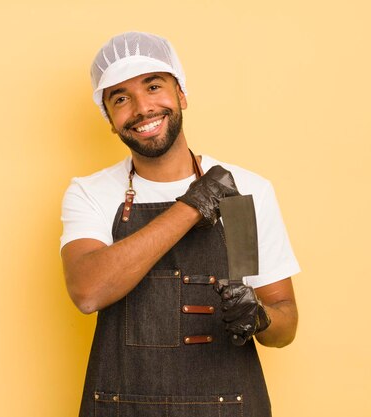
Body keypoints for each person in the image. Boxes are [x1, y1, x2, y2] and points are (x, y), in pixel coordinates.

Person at [60, 31, 300, 417]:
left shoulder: (241, 193)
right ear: (110, 120)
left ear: (182, 94)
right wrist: (193, 205)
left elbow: (285, 324)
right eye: (120, 98)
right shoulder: (92, 193)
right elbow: (88, 291)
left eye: (153, 86)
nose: (141, 108)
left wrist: (261, 317)